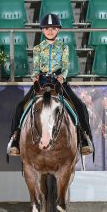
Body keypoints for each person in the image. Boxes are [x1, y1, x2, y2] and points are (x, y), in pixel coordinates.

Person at [7, 13, 94, 156]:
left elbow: (65, 66)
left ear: (58, 30)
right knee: (20, 106)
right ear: (42, 30)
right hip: (41, 81)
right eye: (47, 28)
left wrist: (62, 76)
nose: (50, 31)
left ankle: (85, 138)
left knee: (80, 105)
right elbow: (35, 67)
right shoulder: (37, 48)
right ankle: (15, 139)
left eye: (53, 28)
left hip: (58, 82)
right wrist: (34, 76)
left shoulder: (63, 47)